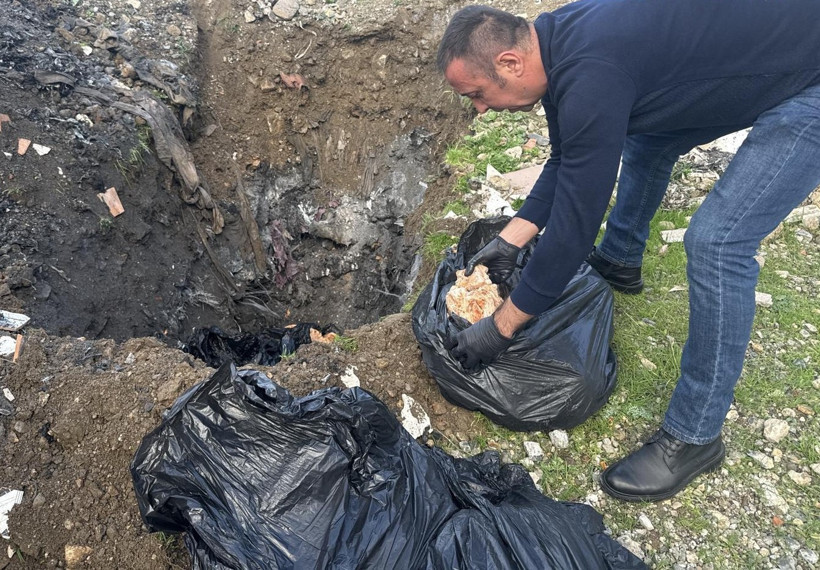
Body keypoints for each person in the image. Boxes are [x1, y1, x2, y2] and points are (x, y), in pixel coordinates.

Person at [437, 0, 820, 502]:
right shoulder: (553, 43)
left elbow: (576, 222)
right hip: (767, 52)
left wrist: (502, 326)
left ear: (510, 62)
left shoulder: (592, 72)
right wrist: (509, 241)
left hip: (810, 80)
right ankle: (619, 261)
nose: (480, 110)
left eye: (477, 94)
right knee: (647, 138)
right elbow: (569, 157)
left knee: (718, 243)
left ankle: (694, 436)